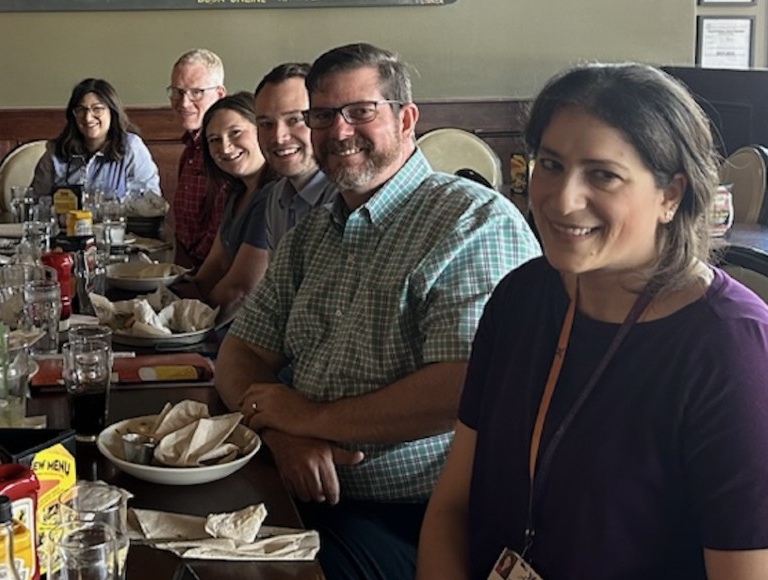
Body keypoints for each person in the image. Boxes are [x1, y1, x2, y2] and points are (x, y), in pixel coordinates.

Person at [415, 64, 768, 580]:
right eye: (551, 165)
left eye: (602, 174)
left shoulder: (740, 362)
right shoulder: (522, 298)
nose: (562, 200)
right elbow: (452, 508)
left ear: (671, 195)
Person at [217, 43, 538, 580]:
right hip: (292, 482)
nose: (338, 131)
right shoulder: (312, 233)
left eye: (360, 111)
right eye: (321, 116)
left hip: (418, 519)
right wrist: (284, 436)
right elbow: (239, 351)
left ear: (406, 117)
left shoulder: (471, 220)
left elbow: (464, 386)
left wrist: (307, 418)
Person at [185, 93, 269, 326]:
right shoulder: (237, 192)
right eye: (214, 139)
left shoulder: (271, 196)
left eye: (235, 133)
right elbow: (216, 264)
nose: (225, 147)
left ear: (261, 130)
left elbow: (240, 290)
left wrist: (186, 325)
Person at [28, 78, 160, 201]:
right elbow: (36, 203)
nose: (88, 118)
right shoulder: (55, 152)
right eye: (81, 110)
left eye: (97, 109)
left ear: (112, 112)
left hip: (116, 226)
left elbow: (149, 203)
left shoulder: (131, 147)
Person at [253, 63, 332, 250]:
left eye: (295, 120)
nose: (279, 137)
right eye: (266, 124)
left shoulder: (347, 198)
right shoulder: (276, 197)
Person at [168, 49, 228, 268]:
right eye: (177, 92)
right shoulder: (190, 149)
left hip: (212, 277)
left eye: (196, 92)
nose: (184, 103)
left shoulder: (227, 152)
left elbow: (223, 239)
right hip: (185, 268)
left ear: (220, 95)